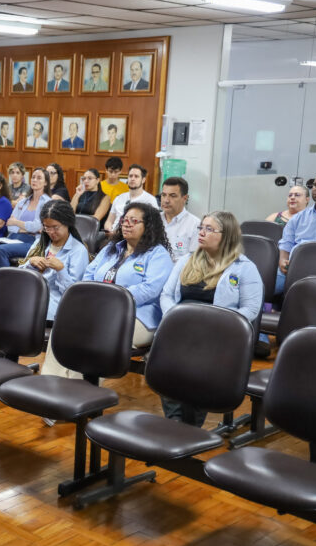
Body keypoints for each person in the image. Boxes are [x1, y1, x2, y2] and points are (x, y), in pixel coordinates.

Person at [40, 202, 174, 385]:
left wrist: (111, 301)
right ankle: (50, 384)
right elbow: (88, 274)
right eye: (125, 220)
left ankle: (80, 391)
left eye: (134, 221)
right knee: (64, 324)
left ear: (148, 225)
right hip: (99, 310)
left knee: (96, 331)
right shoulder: (112, 249)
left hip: (138, 317)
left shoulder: (158, 254)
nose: (127, 224)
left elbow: (149, 289)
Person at [160, 211, 263, 427]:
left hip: (218, 335)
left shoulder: (244, 268)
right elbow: (167, 295)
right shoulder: (187, 260)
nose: (202, 232)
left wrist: (220, 325)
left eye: (209, 229)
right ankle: (175, 421)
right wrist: (173, 316)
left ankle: (191, 426)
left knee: (198, 370)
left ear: (226, 236)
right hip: (182, 329)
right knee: (164, 363)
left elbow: (251, 308)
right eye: (201, 228)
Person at [18, 200, 89, 321]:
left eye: (55, 227)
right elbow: (20, 277)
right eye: (46, 227)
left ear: (67, 224)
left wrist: (61, 270)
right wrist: (30, 263)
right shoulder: (40, 243)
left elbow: (75, 293)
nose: (51, 232)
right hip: (33, 296)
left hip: (56, 304)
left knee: (22, 314)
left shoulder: (78, 250)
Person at [0, 168, 52, 269]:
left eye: (39, 178)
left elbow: (37, 226)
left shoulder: (47, 202)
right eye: (33, 177)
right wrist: (25, 228)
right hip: (14, 237)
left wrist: (17, 222)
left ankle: (5, 283)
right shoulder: (23, 202)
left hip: (33, 241)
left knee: (1, 250)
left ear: (45, 182)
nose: (34, 180)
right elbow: (10, 225)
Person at [276, 172, 316, 294]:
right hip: (294, 267)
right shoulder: (298, 218)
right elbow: (286, 243)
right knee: (260, 287)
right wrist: (283, 260)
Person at [104, 164, 157, 232]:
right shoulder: (119, 198)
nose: (132, 179)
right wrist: (109, 230)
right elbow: (109, 221)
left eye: (136, 176)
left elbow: (153, 225)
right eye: (130, 176)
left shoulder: (150, 200)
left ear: (143, 180)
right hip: (114, 235)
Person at [160, 176, 200, 261]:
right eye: (163, 195)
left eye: (172, 196)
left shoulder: (195, 225)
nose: (166, 200)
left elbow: (194, 261)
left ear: (184, 198)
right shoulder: (154, 220)